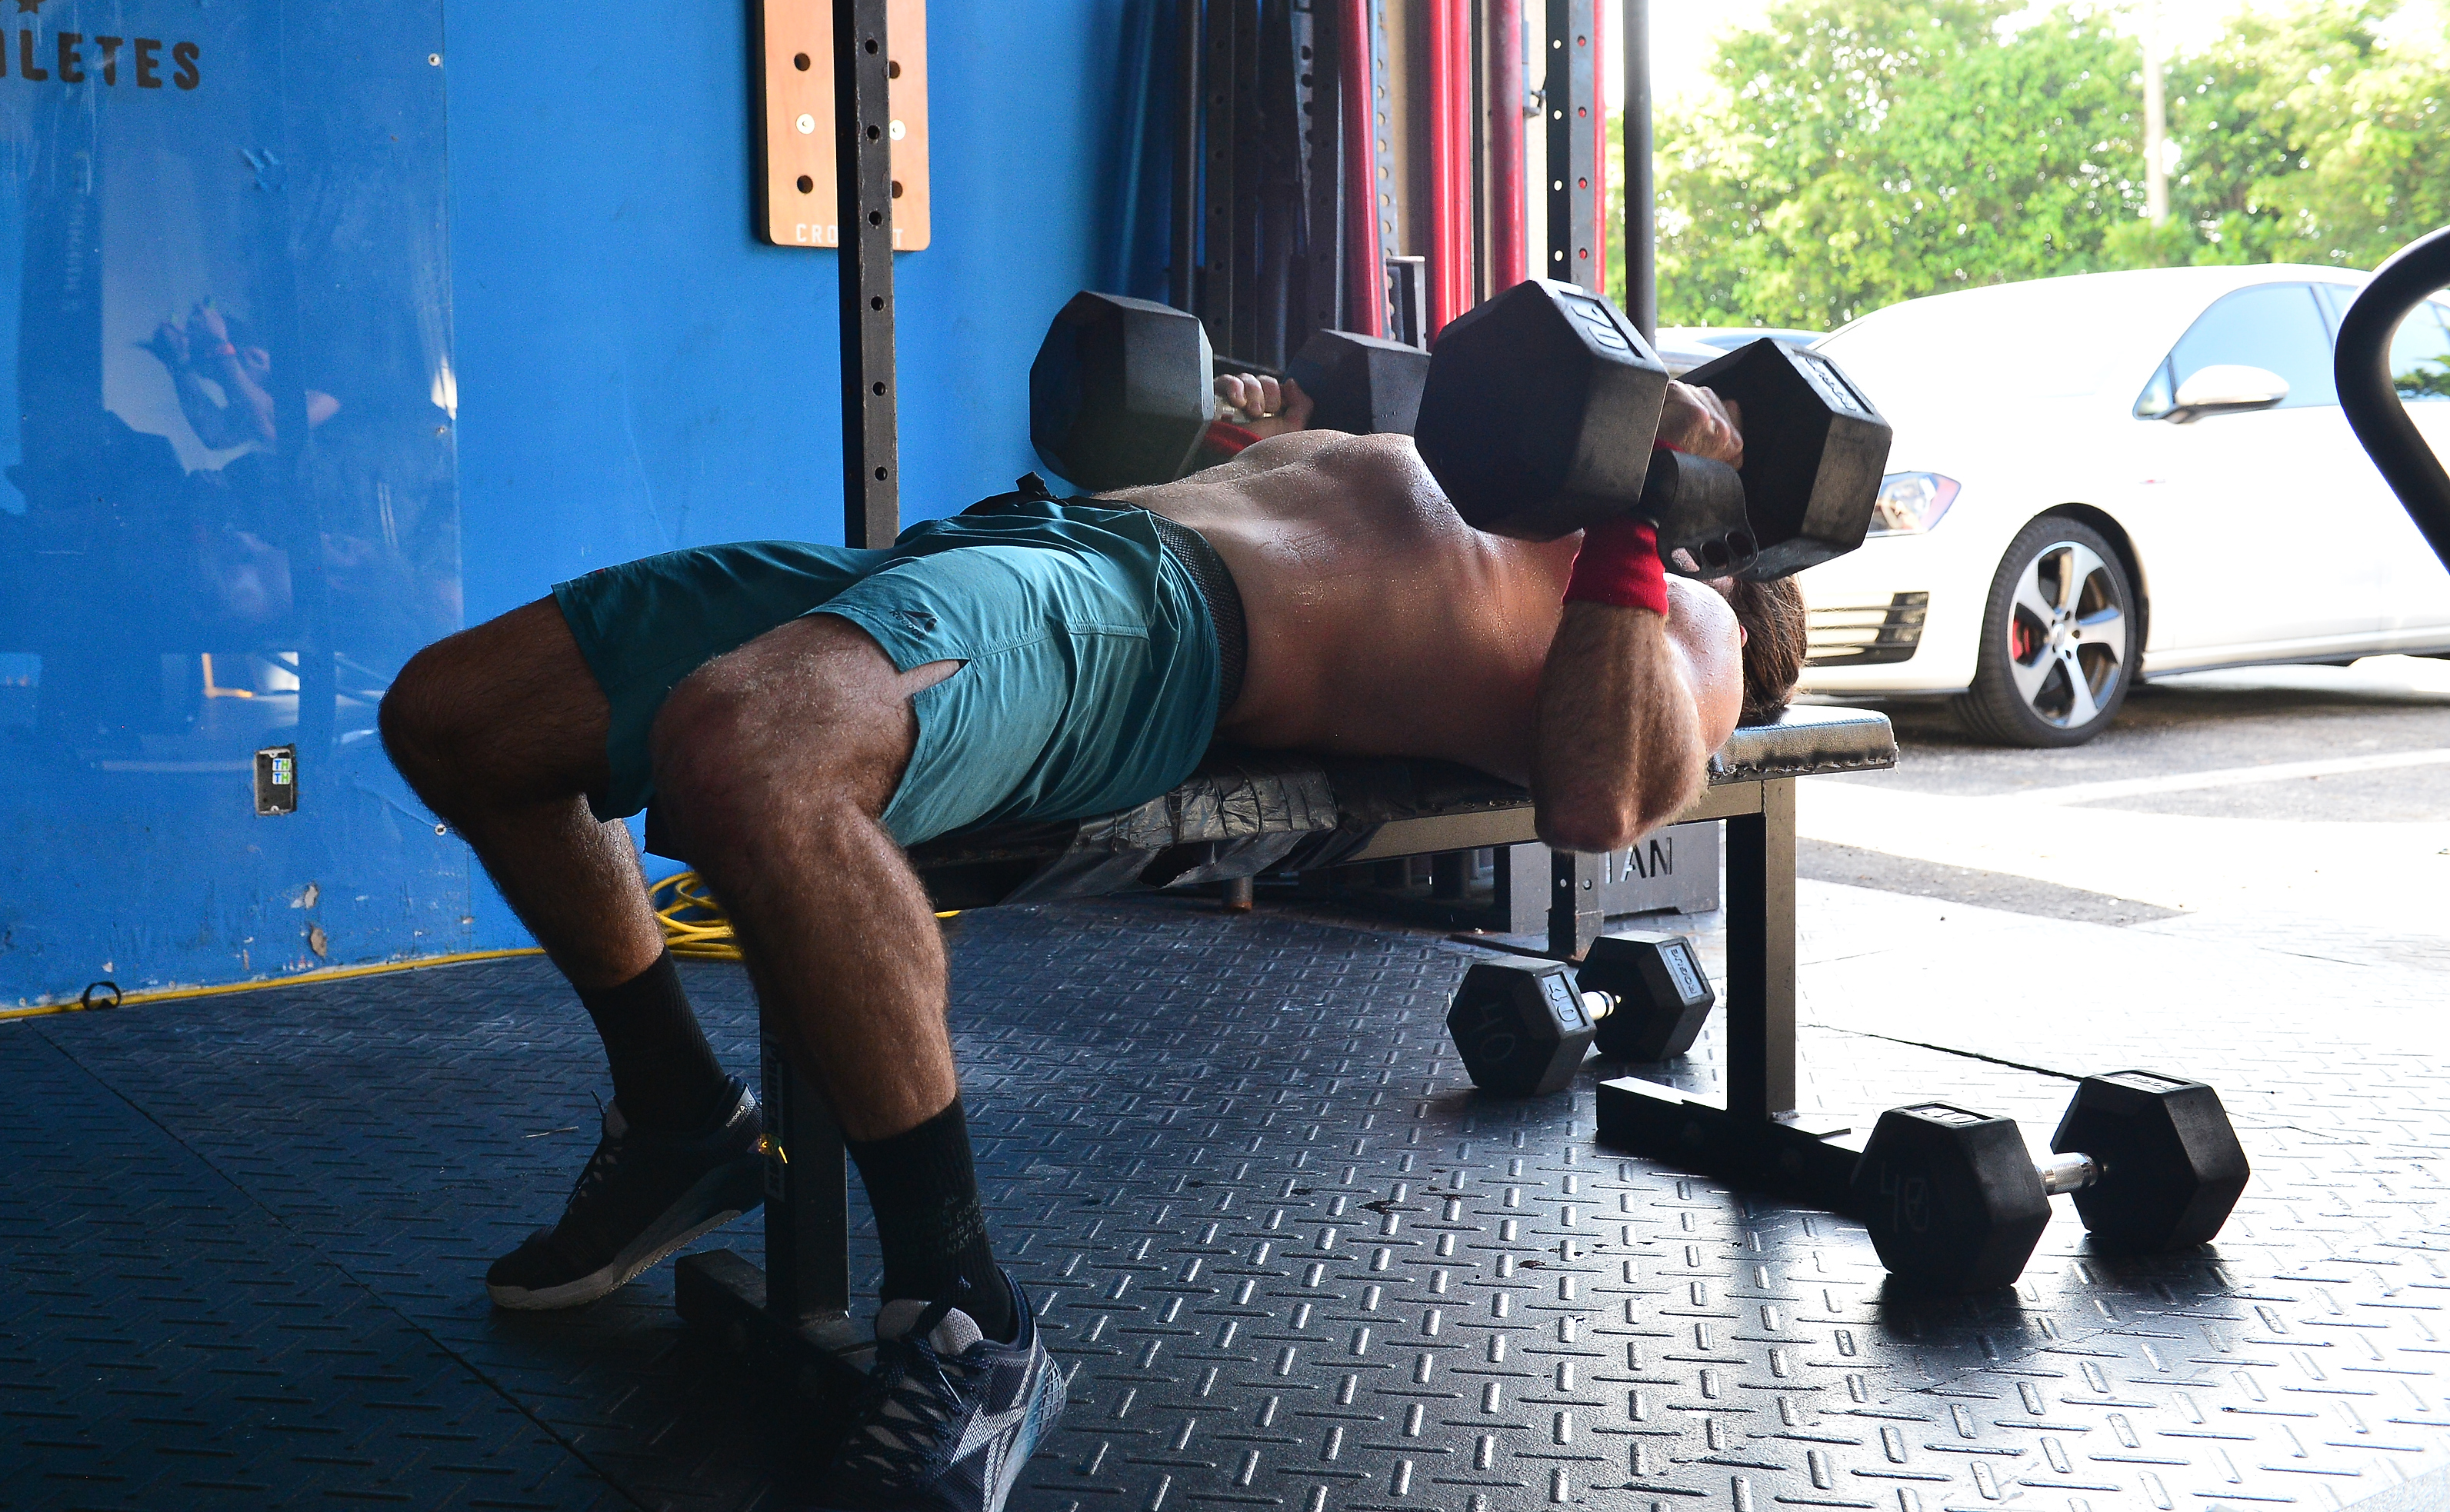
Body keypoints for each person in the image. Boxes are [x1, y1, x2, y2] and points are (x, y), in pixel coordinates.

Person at [376, 376, 1805, 1512]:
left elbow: (1603, 795)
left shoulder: (1695, 616)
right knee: (459, 714)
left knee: (752, 753)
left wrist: (1643, 518)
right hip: (1004, 549)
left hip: (1153, 624)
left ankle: (965, 1321)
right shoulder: (1522, 478)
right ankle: (683, 1118)